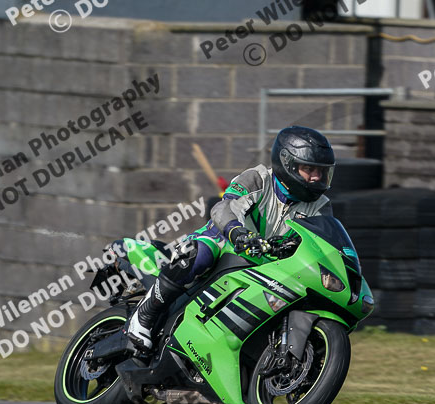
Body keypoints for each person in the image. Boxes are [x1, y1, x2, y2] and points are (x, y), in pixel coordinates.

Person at [124, 126, 335, 355]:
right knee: (199, 254)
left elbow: (321, 243)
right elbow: (224, 207)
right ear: (287, 164)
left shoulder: (321, 207)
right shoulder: (258, 179)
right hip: (225, 243)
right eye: (308, 169)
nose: (316, 177)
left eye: (321, 171)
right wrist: (237, 232)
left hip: (267, 266)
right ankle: (145, 315)